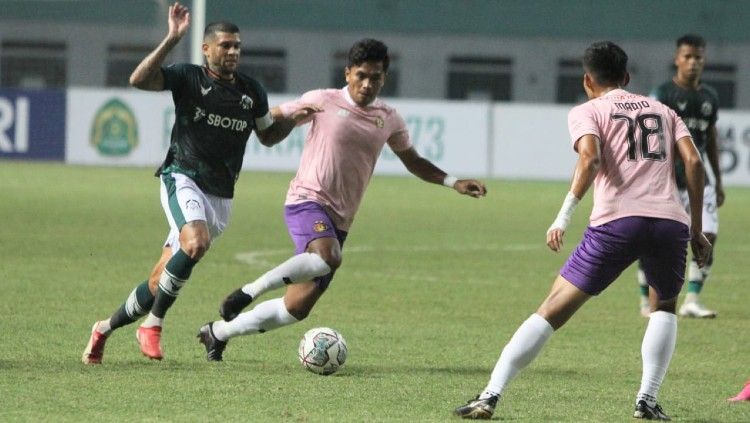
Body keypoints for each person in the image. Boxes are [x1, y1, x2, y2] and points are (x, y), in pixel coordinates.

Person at [453, 41, 711, 420]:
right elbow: (693, 161)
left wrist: (563, 217)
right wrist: (697, 229)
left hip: (617, 222)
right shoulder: (664, 110)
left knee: (552, 308)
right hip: (670, 222)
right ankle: (647, 400)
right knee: (665, 307)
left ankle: (490, 395)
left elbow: (590, 159)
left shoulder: (588, 110)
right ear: (626, 77)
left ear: (588, 80)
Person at [195, 38, 487, 361]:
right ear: (347, 73)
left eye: (375, 77)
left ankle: (217, 333)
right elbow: (269, 117)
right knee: (329, 256)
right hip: (306, 200)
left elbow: (413, 160)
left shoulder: (389, 118)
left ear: (384, 79)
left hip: (340, 219)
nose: (367, 83)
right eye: (361, 75)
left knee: (296, 308)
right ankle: (249, 291)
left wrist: (453, 182)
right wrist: (257, 119)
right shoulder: (323, 100)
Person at [82, 2, 314, 363]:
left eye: (237, 45)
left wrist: (294, 120)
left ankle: (103, 329)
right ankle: (153, 325)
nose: (233, 51)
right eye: (225, 45)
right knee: (196, 242)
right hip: (182, 175)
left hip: (221, 196)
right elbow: (138, 79)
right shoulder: (189, 78)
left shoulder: (252, 91)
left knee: (160, 281)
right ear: (207, 49)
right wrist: (172, 38)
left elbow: (267, 135)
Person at [637, 34, 723, 319]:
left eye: (698, 57)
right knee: (655, 239)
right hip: (666, 180)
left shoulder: (710, 97)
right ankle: (645, 300)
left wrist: (719, 180)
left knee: (708, 234)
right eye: (687, 56)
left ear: (704, 60)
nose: (693, 62)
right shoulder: (661, 94)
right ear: (677, 59)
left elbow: (709, 139)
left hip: (700, 181)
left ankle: (692, 300)